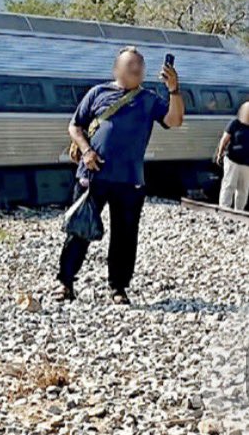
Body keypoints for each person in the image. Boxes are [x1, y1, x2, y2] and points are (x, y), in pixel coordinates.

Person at [55, 46, 185, 305]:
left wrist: (173, 90)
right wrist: (86, 150)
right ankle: (65, 282)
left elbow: (174, 120)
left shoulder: (149, 99)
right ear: (116, 69)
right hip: (92, 176)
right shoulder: (97, 93)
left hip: (130, 179)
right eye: (131, 64)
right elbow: (75, 126)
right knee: (79, 230)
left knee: (125, 236)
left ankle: (118, 287)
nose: (137, 68)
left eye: (140, 65)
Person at [215, 101, 249, 211]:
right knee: (229, 184)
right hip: (232, 160)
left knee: (243, 189)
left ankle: (239, 211)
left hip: (247, 164)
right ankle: (224, 208)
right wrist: (220, 153)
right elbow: (224, 139)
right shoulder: (235, 123)